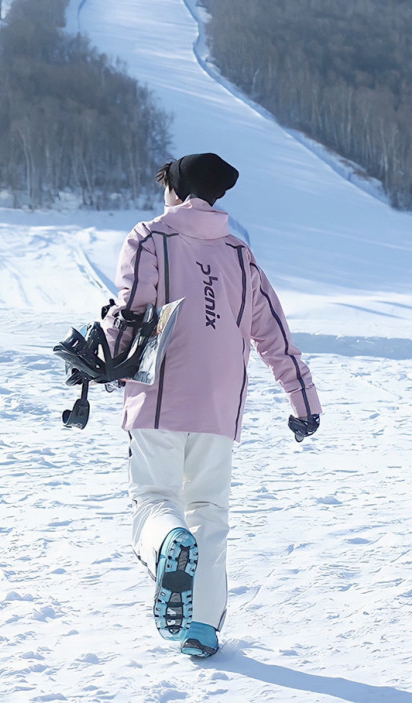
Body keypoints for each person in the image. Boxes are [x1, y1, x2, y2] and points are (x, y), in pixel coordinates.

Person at [102, 152, 322, 658]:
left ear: (176, 190)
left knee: (155, 499)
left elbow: (134, 309)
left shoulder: (150, 238)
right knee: (210, 510)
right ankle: (201, 627)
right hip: (220, 409)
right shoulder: (240, 256)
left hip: (159, 398)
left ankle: (167, 545)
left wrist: (107, 357)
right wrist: (303, 400)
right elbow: (274, 334)